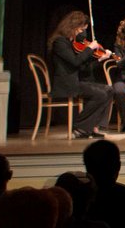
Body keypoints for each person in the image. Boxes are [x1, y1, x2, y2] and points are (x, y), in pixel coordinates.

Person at [48, 10, 112, 139]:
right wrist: (90, 48)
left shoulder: (71, 43)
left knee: (109, 90)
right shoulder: (60, 42)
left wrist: (100, 59)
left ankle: (92, 126)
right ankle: (80, 126)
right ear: (73, 27)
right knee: (100, 94)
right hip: (67, 84)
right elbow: (75, 62)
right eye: (81, 29)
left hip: (76, 81)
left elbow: (82, 67)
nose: (83, 33)